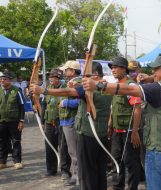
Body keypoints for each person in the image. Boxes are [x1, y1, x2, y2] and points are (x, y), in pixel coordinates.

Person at [82, 53, 161, 190]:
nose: (153, 72)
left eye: (156, 69)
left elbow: (129, 89)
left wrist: (97, 85)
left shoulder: (159, 88)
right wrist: (151, 78)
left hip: (160, 151)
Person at [30, 62, 112, 190]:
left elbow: (69, 91)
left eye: (87, 75)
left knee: (87, 169)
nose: (84, 78)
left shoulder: (90, 89)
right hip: (100, 134)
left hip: (88, 134)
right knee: (99, 168)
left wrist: (44, 90)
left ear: (95, 75)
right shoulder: (107, 87)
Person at [108, 57, 142, 190]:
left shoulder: (131, 86)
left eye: (116, 67)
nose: (113, 70)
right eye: (112, 68)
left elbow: (137, 108)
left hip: (129, 132)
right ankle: (117, 186)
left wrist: (134, 131)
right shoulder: (115, 86)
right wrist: (110, 125)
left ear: (124, 69)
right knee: (116, 160)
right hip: (117, 131)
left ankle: (132, 187)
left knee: (131, 162)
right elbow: (113, 108)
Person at [41, 68, 71, 179]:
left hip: (62, 121)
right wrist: (42, 121)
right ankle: (51, 169)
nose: (50, 79)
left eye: (53, 77)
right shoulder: (47, 89)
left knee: (63, 147)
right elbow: (44, 105)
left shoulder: (66, 89)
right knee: (49, 146)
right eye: (50, 77)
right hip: (49, 122)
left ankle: (65, 171)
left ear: (59, 78)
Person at [59, 61, 81, 188]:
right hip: (66, 120)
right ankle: (75, 174)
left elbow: (81, 102)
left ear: (72, 71)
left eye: (66, 70)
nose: (64, 72)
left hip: (72, 121)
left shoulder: (78, 82)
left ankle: (78, 177)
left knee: (74, 152)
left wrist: (65, 103)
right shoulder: (69, 82)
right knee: (71, 151)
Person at [0, 71, 25, 170]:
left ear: (9, 80)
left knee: (16, 141)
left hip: (14, 121)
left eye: (4, 79)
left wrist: (21, 121)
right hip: (1, 121)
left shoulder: (17, 90)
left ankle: (17, 161)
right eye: (1, 79)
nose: (2, 80)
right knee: (2, 142)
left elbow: (22, 106)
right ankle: (2, 162)